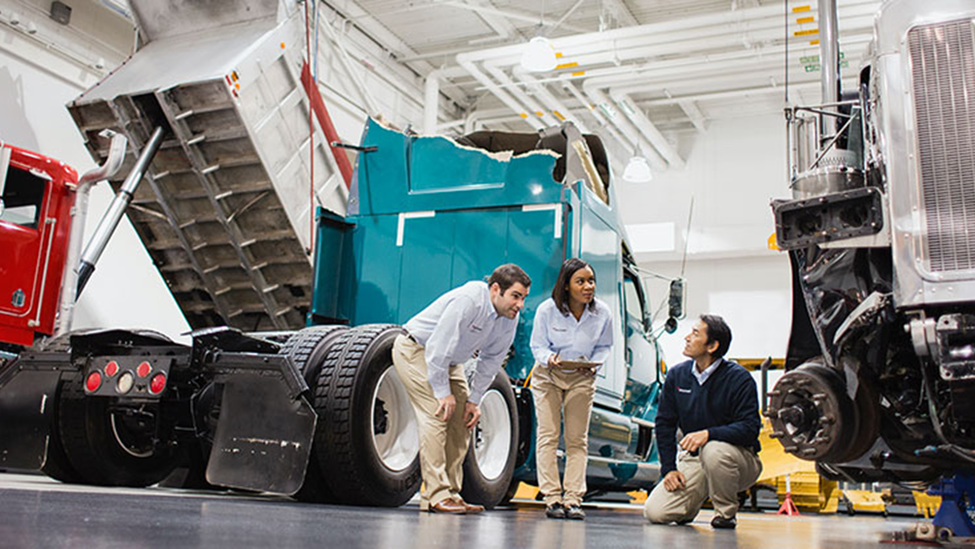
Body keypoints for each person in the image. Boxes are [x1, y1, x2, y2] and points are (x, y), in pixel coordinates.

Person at [392, 263, 531, 514]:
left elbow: (490, 362)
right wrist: (442, 393)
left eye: (523, 298)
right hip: (416, 350)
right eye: (516, 296)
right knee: (438, 414)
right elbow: (437, 348)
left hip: (452, 361)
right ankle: (435, 495)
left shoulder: (510, 318)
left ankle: (452, 493)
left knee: (463, 421)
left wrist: (473, 401)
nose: (520, 304)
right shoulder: (470, 301)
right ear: (496, 289)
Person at [643, 314, 761, 529]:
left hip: (737, 459)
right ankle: (688, 505)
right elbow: (664, 425)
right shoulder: (677, 376)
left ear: (713, 345)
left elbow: (750, 428)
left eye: (695, 333)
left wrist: (708, 434)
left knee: (713, 450)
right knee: (656, 512)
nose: (687, 337)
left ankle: (725, 514)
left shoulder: (739, 379)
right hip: (695, 461)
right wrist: (668, 469)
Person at [529, 258, 614, 520]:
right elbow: (537, 345)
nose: (588, 286)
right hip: (549, 376)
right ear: (566, 286)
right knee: (549, 435)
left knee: (577, 439)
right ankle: (552, 497)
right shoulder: (547, 310)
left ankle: (574, 498)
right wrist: (549, 358)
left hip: (581, 377)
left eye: (591, 281)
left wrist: (595, 365)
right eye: (581, 281)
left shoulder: (602, 313)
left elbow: (605, 346)